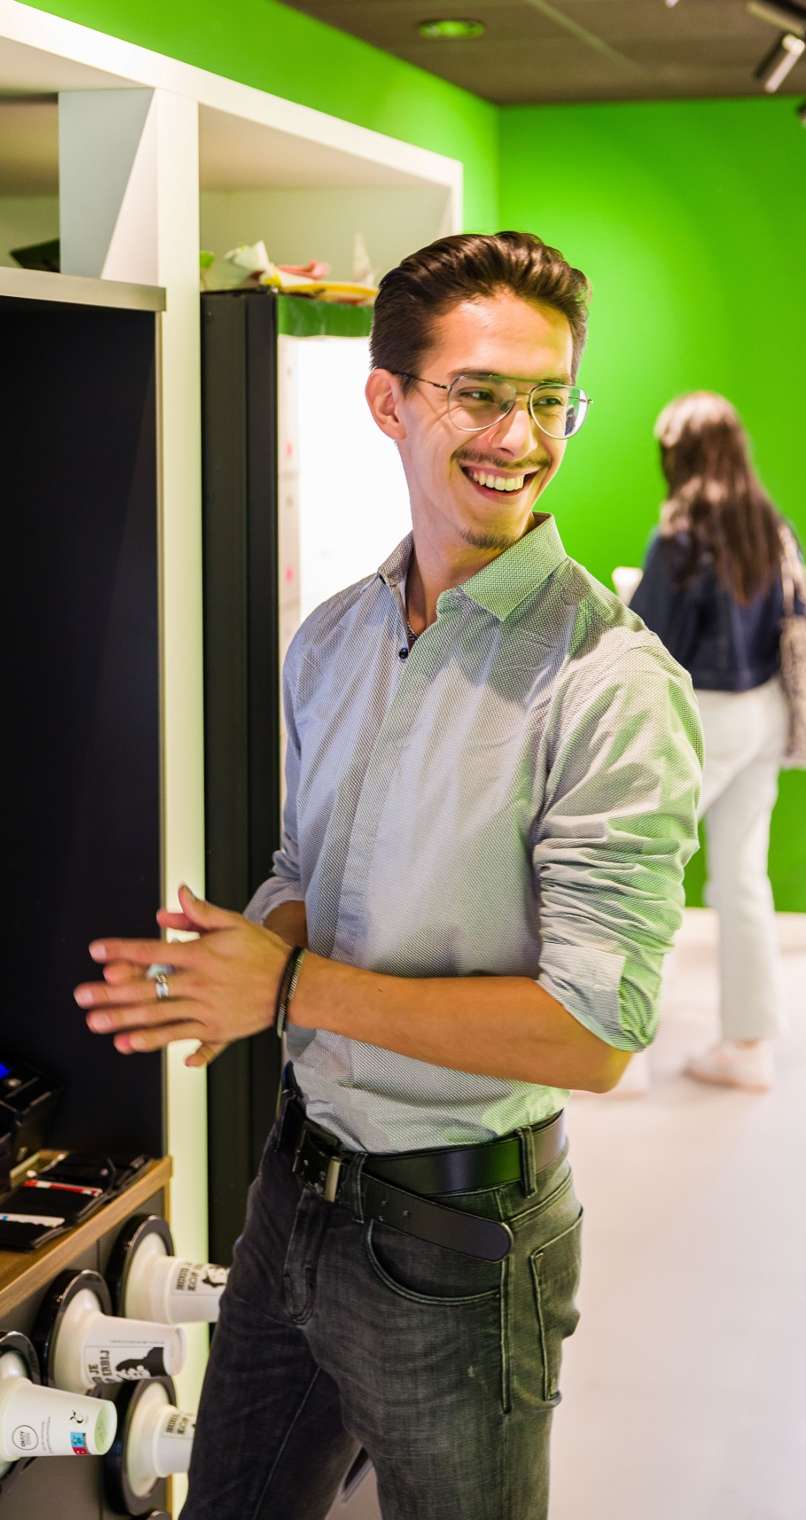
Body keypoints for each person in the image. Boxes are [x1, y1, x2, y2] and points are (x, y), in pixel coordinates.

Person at [74, 232, 703, 1520]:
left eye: (547, 400)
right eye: (481, 393)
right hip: (294, 1187)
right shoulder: (338, 636)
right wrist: (234, 967)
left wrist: (291, 985)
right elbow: (313, 869)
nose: (520, 437)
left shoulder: (609, 684)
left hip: (463, 1247)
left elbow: (593, 1034)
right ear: (389, 400)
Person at [630, 391, 796, 1093]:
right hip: (769, 712)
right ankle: (748, 1045)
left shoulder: (680, 533)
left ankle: (623, 1055)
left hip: (707, 716)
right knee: (741, 877)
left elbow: (651, 638)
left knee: (638, 874)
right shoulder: (770, 524)